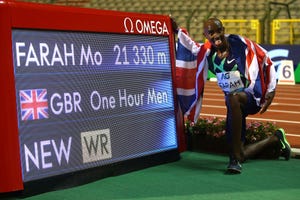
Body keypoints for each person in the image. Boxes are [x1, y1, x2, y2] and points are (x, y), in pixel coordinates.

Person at [172, 17, 291, 174]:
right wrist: (177, 31)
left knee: (233, 97)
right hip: (233, 105)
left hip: (250, 97)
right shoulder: (208, 53)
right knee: (240, 152)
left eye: (218, 31)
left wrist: (271, 89)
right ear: (205, 35)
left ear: (223, 30)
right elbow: (192, 48)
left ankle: (233, 161)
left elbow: (266, 58)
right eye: (211, 33)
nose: (216, 36)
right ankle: (275, 139)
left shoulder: (240, 44)